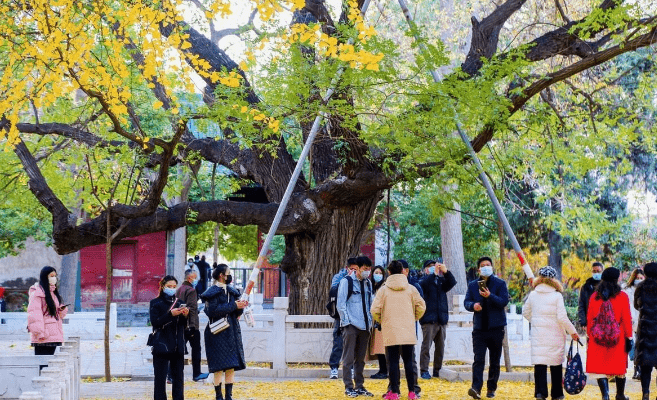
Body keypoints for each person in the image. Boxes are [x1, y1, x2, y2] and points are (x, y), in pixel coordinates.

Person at [371, 260, 426, 400]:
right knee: (409, 362)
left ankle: (394, 392)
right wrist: (413, 318)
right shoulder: (411, 289)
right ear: (403, 271)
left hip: (390, 330)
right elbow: (422, 307)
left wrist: (381, 319)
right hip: (407, 330)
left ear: (388, 272)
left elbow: (374, 310)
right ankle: (412, 392)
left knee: (393, 362)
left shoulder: (383, 289)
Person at [522, 266, 579, 400]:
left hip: (538, 334)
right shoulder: (556, 295)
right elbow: (562, 318)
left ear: (539, 278)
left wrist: (535, 321)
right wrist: (573, 332)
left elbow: (525, 313)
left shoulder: (533, 294)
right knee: (556, 365)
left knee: (540, 364)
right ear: (553, 279)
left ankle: (540, 393)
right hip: (555, 334)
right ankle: (557, 394)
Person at [464, 257, 509, 399]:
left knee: (495, 361)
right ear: (478, 269)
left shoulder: (500, 284)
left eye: (488, 265)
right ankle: (476, 388)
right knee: (478, 360)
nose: (485, 267)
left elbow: (503, 301)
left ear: (492, 267)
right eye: (482, 266)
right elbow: (466, 302)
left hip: (496, 328)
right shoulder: (472, 285)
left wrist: (490, 296)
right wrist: (473, 306)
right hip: (479, 329)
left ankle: (491, 388)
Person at [201, 264, 247, 400]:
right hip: (217, 333)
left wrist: (240, 306)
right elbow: (212, 311)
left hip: (231, 332)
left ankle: (229, 396)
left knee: (231, 366)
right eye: (228, 273)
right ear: (221, 275)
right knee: (218, 367)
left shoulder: (232, 291)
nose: (230, 276)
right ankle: (218, 396)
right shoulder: (212, 292)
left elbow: (236, 312)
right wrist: (233, 305)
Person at [586, 267, 632, 400]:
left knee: (600, 368)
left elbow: (590, 317)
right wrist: (629, 337)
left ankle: (605, 395)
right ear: (616, 279)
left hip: (598, 337)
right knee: (618, 366)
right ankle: (620, 394)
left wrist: (589, 334)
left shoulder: (595, 296)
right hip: (618, 337)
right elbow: (626, 318)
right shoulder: (622, 296)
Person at [337, 255, 374, 397]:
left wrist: (371, 322)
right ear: (357, 268)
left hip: (365, 326)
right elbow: (341, 304)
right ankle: (348, 387)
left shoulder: (368, 283)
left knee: (360, 359)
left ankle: (359, 385)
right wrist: (346, 323)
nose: (367, 272)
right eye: (365, 269)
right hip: (351, 325)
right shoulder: (347, 282)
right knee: (348, 358)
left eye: (369, 269)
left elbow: (370, 302)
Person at [150, 275, 189, 400]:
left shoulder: (180, 303)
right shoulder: (155, 303)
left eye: (174, 287)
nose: (172, 289)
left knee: (178, 380)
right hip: (162, 345)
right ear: (162, 286)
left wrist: (185, 315)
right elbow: (155, 323)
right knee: (160, 380)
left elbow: (183, 325)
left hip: (177, 345)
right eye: (169, 286)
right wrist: (170, 314)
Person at [419, 259, 456, 380]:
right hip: (428, 319)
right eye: (429, 267)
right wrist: (433, 273)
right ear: (425, 269)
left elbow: (451, 282)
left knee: (440, 348)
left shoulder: (441, 282)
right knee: (426, 346)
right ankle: (424, 370)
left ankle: (437, 370)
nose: (432, 268)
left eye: (434, 266)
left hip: (441, 319)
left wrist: (446, 272)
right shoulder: (423, 281)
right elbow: (424, 285)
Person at [176, 269, 209, 382]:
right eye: (195, 277)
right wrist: (193, 326)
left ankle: (171, 375)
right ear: (190, 278)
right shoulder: (191, 290)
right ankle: (196, 373)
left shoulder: (179, 289)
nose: (196, 280)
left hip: (180, 324)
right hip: (191, 325)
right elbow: (192, 309)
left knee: (178, 350)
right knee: (196, 350)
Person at [328, 257, 359, 379]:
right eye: (351, 269)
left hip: (354, 315)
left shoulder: (361, 278)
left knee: (352, 343)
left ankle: (351, 368)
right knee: (338, 341)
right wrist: (347, 279)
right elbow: (334, 290)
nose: (354, 271)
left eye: (356, 269)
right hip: (340, 315)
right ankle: (334, 368)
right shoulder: (339, 276)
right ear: (347, 268)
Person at [27, 266, 68, 356]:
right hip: (43, 335)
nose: (54, 278)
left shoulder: (53, 293)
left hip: (54, 334)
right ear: (45, 277)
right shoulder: (37, 294)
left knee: (49, 365)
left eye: (55, 276)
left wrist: (62, 309)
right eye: (51, 276)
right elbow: (34, 315)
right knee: (42, 365)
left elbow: (58, 316)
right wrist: (39, 333)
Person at [398, 259, 423, 397]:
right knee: (393, 362)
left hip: (408, 330)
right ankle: (393, 389)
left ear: (406, 271)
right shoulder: (387, 286)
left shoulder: (414, 287)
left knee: (410, 361)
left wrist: (412, 318)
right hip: (393, 331)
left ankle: (414, 389)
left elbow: (421, 307)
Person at [635, 262, 657, 400]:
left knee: (645, 364)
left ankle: (645, 393)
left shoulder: (640, 287)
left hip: (645, 328)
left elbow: (636, 305)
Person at [624, 267, 645, 380]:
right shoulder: (627, 290)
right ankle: (636, 369)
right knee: (633, 348)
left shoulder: (647, 289)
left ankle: (640, 370)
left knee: (641, 347)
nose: (639, 280)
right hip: (631, 322)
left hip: (643, 322)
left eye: (641, 278)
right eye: (637, 278)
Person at [368, 265, 388, 379]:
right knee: (379, 348)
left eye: (380, 273)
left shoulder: (384, 288)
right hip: (374, 320)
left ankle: (384, 371)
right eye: (376, 272)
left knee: (381, 348)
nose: (378, 275)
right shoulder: (372, 287)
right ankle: (382, 370)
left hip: (381, 321)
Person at [578, 262, 604, 328]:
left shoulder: (606, 286)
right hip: (590, 321)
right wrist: (583, 322)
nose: (596, 273)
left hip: (604, 321)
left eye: (598, 271)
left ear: (602, 272)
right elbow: (581, 304)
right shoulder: (586, 286)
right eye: (594, 271)